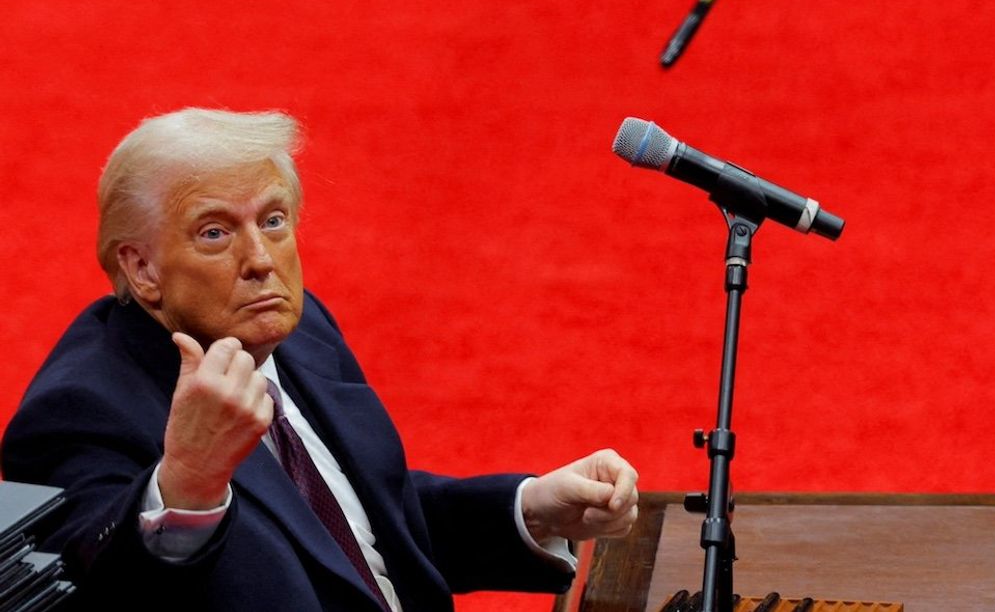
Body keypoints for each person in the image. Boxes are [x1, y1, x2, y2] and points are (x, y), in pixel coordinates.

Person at [1, 108, 639, 611]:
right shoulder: (79, 411)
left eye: (274, 220)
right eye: (215, 233)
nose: (261, 260)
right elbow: (95, 590)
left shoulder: (296, 334)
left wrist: (527, 510)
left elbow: (360, 524)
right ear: (140, 269)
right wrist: (185, 483)